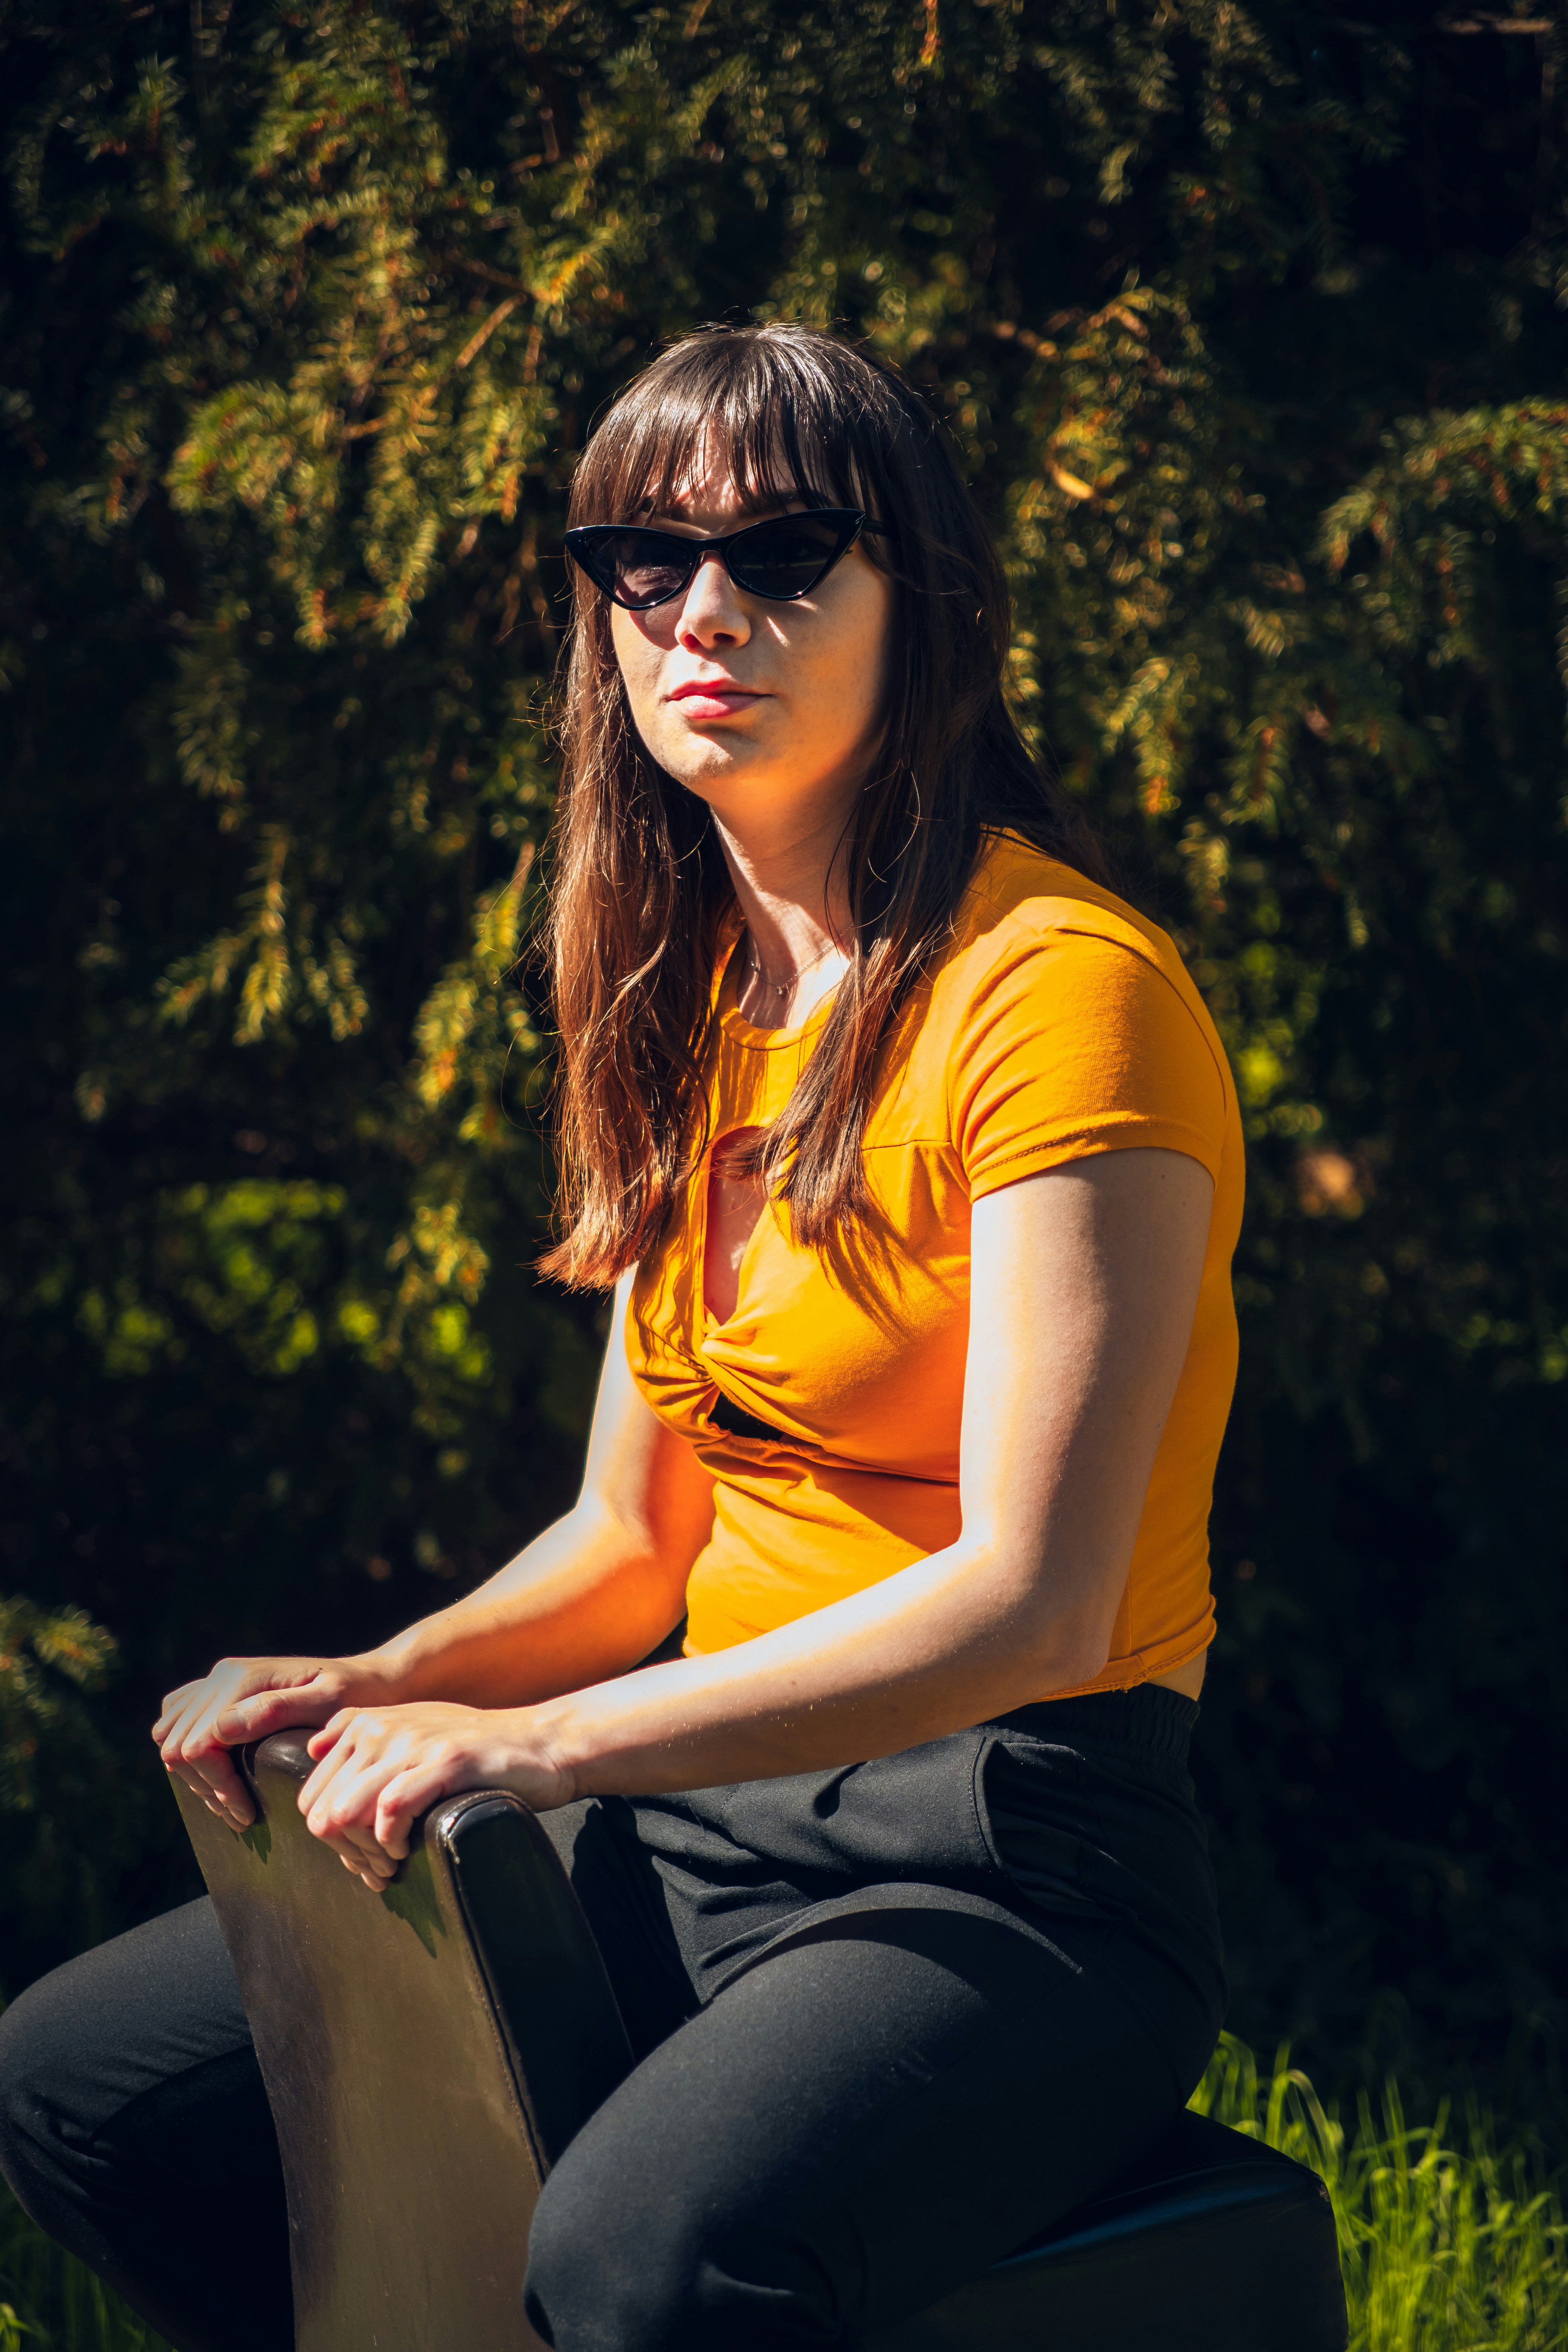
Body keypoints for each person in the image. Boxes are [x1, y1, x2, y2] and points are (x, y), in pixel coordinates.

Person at [0, 323, 1243, 2352]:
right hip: (712, 1795)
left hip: (1013, 1856)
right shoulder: (691, 993)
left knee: (639, 2269)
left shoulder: (1059, 992)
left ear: (911, 590)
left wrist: (532, 1746)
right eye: (644, 563)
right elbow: (633, 1543)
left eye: (785, 551)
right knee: (83, 2089)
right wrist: (378, 1680)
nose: (704, 613)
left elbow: (1034, 1601)